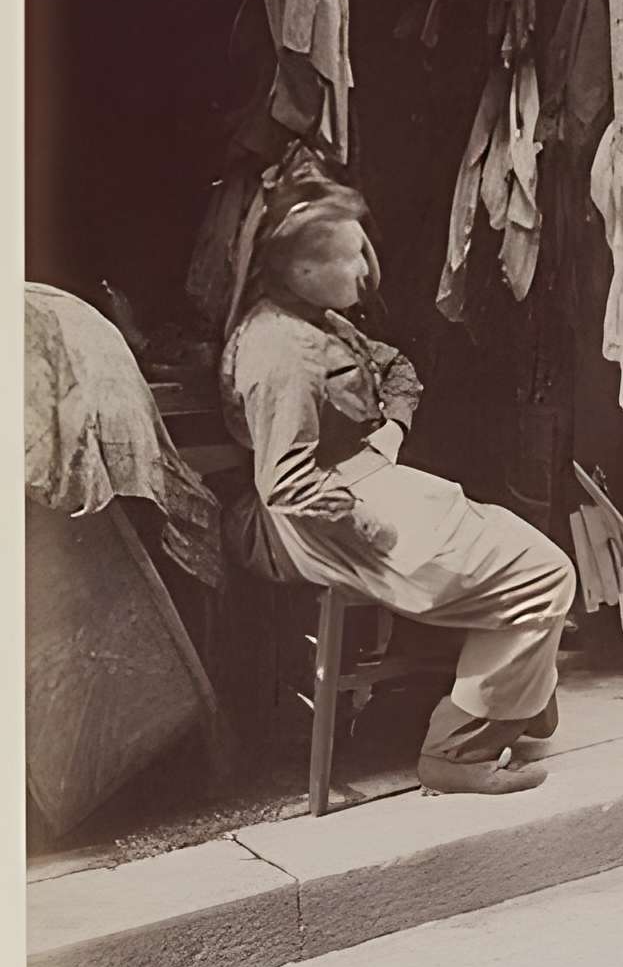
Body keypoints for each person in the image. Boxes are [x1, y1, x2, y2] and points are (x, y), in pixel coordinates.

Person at [221, 194, 575, 794]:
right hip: (322, 519)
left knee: (522, 548)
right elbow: (285, 484)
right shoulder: (279, 349)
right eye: (353, 257)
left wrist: (390, 435)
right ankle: (459, 750)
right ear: (299, 269)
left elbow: (397, 368)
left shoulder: (318, 322)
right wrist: (377, 531)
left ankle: (516, 701)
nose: (368, 271)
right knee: (542, 573)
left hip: (360, 479)